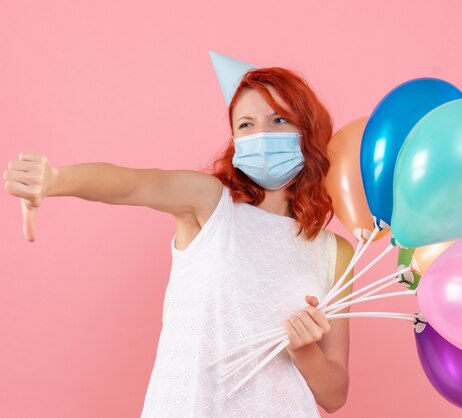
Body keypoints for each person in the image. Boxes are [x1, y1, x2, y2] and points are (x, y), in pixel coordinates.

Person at [3, 66, 354, 417]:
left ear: (307, 131)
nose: (261, 134)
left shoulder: (333, 252)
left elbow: (334, 395)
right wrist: (57, 179)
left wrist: (304, 349)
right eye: (246, 125)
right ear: (234, 141)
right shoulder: (210, 204)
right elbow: (133, 184)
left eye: (278, 120)